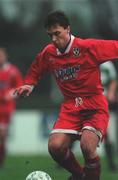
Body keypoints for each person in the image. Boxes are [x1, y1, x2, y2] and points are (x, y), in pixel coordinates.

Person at [13, 10, 118, 180]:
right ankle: (81, 176)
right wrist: (29, 84)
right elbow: (37, 67)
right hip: (70, 107)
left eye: (57, 33)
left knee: (87, 144)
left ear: (68, 29)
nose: (54, 39)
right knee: (55, 146)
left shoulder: (87, 47)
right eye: (50, 35)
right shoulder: (49, 52)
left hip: (94, 106)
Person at [0, 48, 23, 168]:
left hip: (5, 109)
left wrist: (9, 94)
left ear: (5, 56)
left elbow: (19, 88)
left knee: (2, 136)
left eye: (1, 55)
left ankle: (1, 160)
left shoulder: (12, 71)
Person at [100, 62, 118, 171]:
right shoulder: (84, 57)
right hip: (87, 101)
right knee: (77, 131)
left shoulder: (107, 64)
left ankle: (111, 163)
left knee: (107, 134)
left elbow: (113, 80)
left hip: (103, 102)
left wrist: (111, 93)